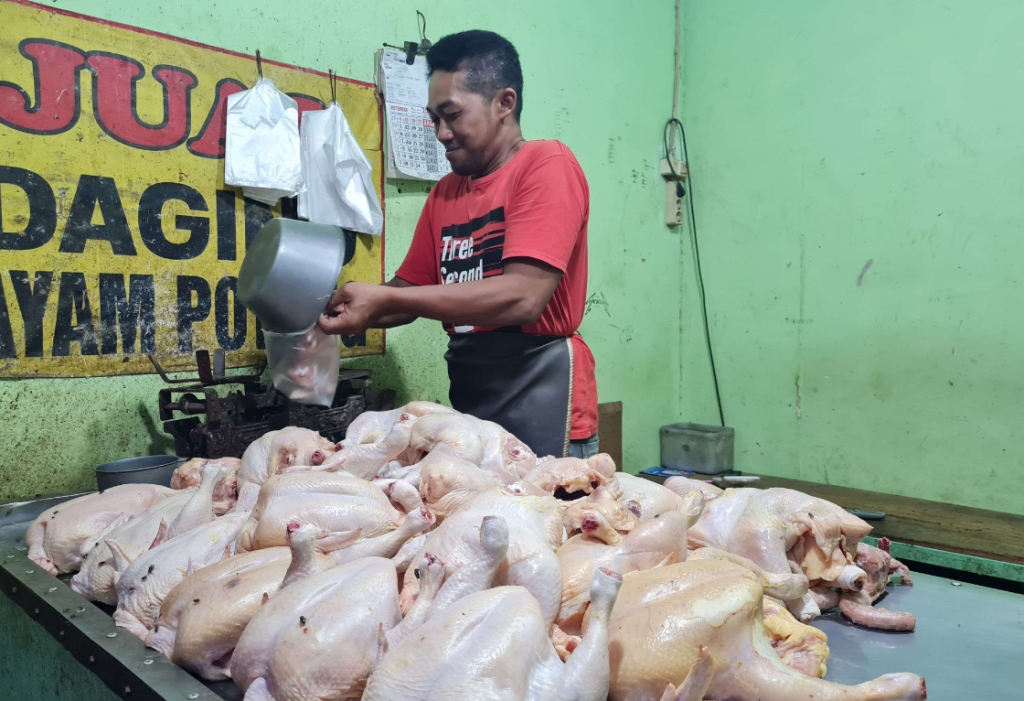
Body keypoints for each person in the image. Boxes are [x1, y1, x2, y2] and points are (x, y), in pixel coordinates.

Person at [318, 29, 597, 459]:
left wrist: (384, 298)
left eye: (452, 115)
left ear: (505, 103)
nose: (441, 133)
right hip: (474, 403)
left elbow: (522, 298)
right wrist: (351, 312)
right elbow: (408, 294)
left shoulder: (545, 166)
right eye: (433, 119)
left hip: (544, 395)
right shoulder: (446, 193)